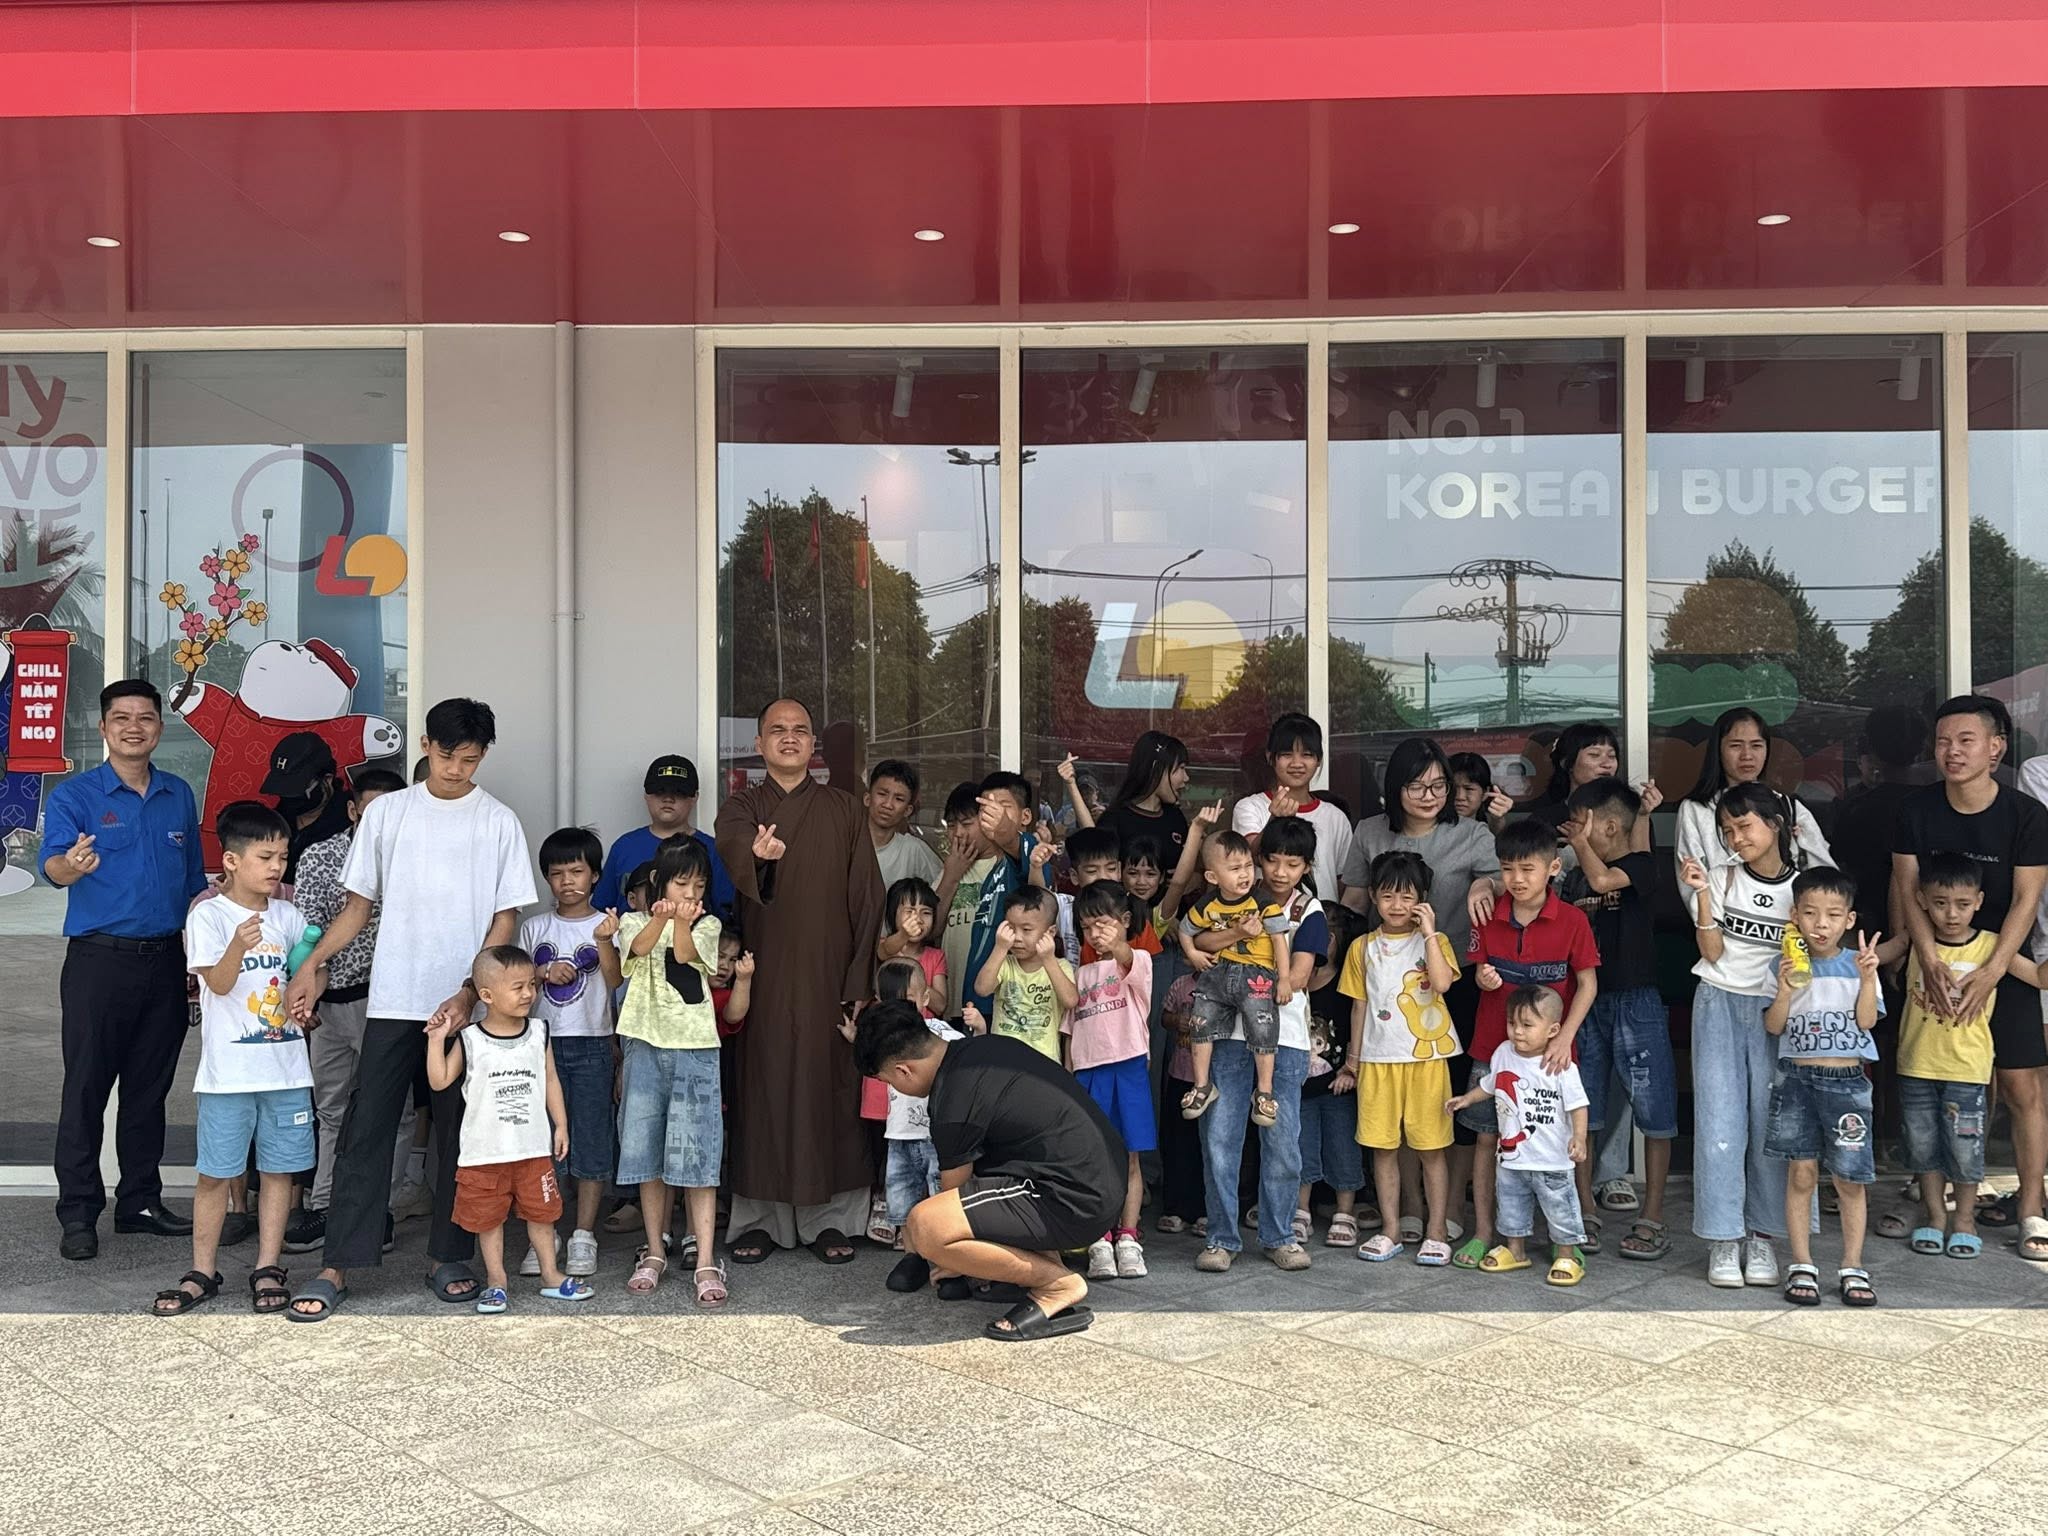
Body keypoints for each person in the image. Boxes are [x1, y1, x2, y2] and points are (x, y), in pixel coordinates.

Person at [283, 697, 538, 1321]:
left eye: (470, 759)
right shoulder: (388, 813)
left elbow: (505, 921)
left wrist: (469, 993)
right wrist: (313, 966)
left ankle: (447, 1258)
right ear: (425, 745)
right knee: (364, 1131)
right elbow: (357, 908)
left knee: (461, 1137)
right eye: (447, 755)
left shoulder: (498, 821)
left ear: (483, 756)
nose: (456, 768)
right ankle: (338, 1264)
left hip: (468, 1008)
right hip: (394, 998)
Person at [714, 699, 886, 1265]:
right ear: (759, 744)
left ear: (813, 745)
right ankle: (759, 1219)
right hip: (760, 976)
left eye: (800, 731)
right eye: (777, 730)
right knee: (763, 1090)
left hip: (828, 975)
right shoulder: (741, 806)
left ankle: (830, 1221)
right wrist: (758, 855)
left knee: (827, 1090)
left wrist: (858, 980)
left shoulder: (844, 809)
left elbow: (868, 896)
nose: (789, 738)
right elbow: (734, 848)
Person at [46, 679, 208, 1261]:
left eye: (145, 717)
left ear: (160, 727)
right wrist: (73, 864)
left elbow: (194, 883)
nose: (133, 727)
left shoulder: (177, 793)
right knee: (86, 1089)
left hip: (166, 961)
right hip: (99, 962)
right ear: (103, 727)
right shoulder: (76, 795)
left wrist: (199, 960)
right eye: (121, 718)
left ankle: (139, 1202)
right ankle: (78, 1212)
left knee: (148, 1090)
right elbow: (54, 868)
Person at [859, 1008, 1127, 1341]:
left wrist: (952, 1259)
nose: (895, 1089)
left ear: (903, 1070)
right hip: (1099, 1183)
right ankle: (1043, 1266)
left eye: (889, 1082)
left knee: (925, 1226)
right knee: (976, 1188)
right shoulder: (987, 1048)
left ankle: (1056, 1285)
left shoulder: (953, 1098)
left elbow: (950, 1203)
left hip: (1073, 1198)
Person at [1893, 697, 2048, 1261]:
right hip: (1935, 966)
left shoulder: (2027, 816)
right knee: (1940, 1084)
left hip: (2004, 963)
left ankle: (2031, 1206)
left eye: (1965, 740)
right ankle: (1943, 1205)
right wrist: (1929, 960)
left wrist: (1994, 970)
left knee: (2022, 1087)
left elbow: (2026, 900)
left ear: (1995, 748)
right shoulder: (1916, 810)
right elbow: (1908, 889)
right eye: (1943, 741)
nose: (1952, 752)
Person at [1338, 739, 1503, 1239]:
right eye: (1417, 786)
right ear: (1395, 788)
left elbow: (1503, 882)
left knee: (1448, 1098)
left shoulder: (1471, 832)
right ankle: (1408, 1206)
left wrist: (1485, 884)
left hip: (1456, 977)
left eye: (1439, 785)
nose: (1430, 796)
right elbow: (1353, 899)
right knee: (1398, 1103)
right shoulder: (1370, 832)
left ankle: (1448, 1209)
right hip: (1387, 981)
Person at [152, 802, 312, 1316]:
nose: (276, 867)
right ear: (232, 860)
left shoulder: (289, 915)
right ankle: (203, 1270)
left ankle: (269, 1265)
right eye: (265, 857)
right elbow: (216, 985)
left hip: (286, 1069)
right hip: (227, 1076)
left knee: (279, 1172)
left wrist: (309, 993)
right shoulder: (209, 915)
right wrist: (238, 947)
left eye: (282, 857)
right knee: (215, 1174)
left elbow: (311, 969)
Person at [1680, 782, 1804, 1289]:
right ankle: (1724, 1238)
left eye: (1745, 825)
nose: (1736, 837)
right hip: (1719, 1003)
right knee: (1718, 1123)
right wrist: (1702, 894)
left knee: (1773, 1125)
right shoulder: (1722, 877)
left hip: (1779, 1011)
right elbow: (1711, 953)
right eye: (1727, 830)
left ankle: (1764, 1236)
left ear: (1774, 824)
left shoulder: (1803, 889)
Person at [1460, 819, 1599, 1268]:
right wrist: (1483, 978)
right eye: (1507, 869)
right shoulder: (1487, 914)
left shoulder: (1573, 920)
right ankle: (1485, 1233)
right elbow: (1478, 970)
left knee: (1563, 1140)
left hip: (1553, 1054)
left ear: (1553, 868)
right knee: (1487, 1139)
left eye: (1527, 869)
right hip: (1492, 1049)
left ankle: (1566, 1236)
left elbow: (1588, 984)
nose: (1516, 879)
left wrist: (1567, 1037)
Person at [425, 944, 593, 1312]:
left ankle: (551, 1274)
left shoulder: (538, 1032)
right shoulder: (471, 1038)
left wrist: (561, 1124)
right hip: (484, 1153)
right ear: (486, 995)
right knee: (489, 1220)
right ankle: (497, 1280)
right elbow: (440, 1080)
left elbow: (550, 1079)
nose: (528, 993)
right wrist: (436, 1042)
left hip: (532, 1149)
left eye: (531, 984)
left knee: (543, 1215)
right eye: (517, 987)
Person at [283, 767, 406, 1255]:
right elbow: (309, 933)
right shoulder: (321, 855)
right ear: (353, 810)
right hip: (332, 1002)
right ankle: (325, 1206)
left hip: (391, 1002)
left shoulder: (416, 859)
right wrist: (308, 991)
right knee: (331, 1109)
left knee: (392, 1112)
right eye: (369, 810)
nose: (379, 821)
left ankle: (382, 1211)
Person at [1894, 853, 2041, 1259]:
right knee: (1922, 1147)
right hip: (1916, 1064)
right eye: (1941, 903)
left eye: (1962, 904)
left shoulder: (1993, 946)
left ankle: (1963, 1220)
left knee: (1965, 1150)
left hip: (1969, 1070)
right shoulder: (1914, 942)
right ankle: (1934, 1216)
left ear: (1978, 901)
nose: (1951, 914)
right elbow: (1874, 957)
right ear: (1922, 900)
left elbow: (2037, 977)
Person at [1191, 817, 1322, 1274]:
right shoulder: (1226, 899)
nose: (1280, 872)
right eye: (1272, 861)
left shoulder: (1310, 911)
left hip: (1284, 1037)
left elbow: (1299, 974)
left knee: (1282, 1142)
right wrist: (1238, 934)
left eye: (1293, 863)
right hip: (1226, 1036)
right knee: (1220, 1137)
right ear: (1257, 861)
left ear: (1307, 867)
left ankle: (1280, 1235)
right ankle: (1221, 1238)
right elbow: (1198, 939)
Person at [1560, 778, 1678, 1261]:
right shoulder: (1573, 877)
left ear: (1608, 826)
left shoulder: (1642, 865)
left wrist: (1581, 846)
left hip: (1637, 1001)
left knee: (1655, 1111)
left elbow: (1605, 882)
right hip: (1586, 1002)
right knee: (1583, 1109)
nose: (1573, 830)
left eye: (1581, 822)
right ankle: (1584, 1208)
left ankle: (1652, 1215)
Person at [1761, 869, 1884, 1308]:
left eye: (1833, 915)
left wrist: (1867, 979)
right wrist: (1783, 989)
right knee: (1801, 1173)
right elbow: (1773, 1026)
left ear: (1849, 920)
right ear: (1795, 915)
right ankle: (1802, 1263)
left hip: (1847, 1084)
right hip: (1796, 1078)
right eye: (1811, 913)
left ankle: (1853, 1265)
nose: (1821, 924)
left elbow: (1867, 1022)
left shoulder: (1858, 964)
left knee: (1849, 1178)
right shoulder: (1784, 965)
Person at [614, 836, 727, 1302]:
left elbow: (684, 955)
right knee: (646, 1153)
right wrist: (661, 917)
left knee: (699, 1154)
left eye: (699, 885)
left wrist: (681, 920)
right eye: (682, 883)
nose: (691, 894)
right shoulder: (633, 920)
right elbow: (637, 951)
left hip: (695, 1047)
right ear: (659, 881)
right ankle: (655, 1250)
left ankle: (706, 1259)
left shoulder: (709, 924)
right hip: (644, 1043)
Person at [1337, 850, 1461, 1265]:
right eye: (1388, 896)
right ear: (1373, 896)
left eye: (1408, 897)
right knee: (1383, 1148)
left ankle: (1437, 1230)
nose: (1397, 906)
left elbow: (1442, 984)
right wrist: (1353, 1061)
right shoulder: (1362, 947)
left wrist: (1429, 932)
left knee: (1432, 1148)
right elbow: (1358, 1007)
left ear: (1422, 900)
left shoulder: (1435, 942)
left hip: (1427, 1061)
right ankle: (1390, 1229)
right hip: (1377, 1061)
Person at [520, 827, 623, 1280]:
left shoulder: (609, 925)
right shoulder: (533, 928)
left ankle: (583, 1234)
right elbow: (513, 983)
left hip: (594, 1042)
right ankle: (546, 1233)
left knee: (591, 1139)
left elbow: (616, 981)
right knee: (542, 1142)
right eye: (557, 873)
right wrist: (542, 972)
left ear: (595, 875)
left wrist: (604, 941)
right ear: (546, 877)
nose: (567, 881)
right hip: (540, 1044)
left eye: (577, 871)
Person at [1446, 985, 1591, 1286]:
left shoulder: (1560, 1063)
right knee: (1511, 1207)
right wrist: (1467, 1099)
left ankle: (1566, 1254)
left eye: (1527, 1024)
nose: (1517, 1031)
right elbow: (1490, 1084)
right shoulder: (1503, 1053)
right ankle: (1516, 1250)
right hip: (1512, 1158)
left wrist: (1579, 1137)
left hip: (1552, 1160)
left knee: (1560, 1208)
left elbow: (1578, 1105)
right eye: (1512, 1023)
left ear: (1553, 1030)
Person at [1065, 879, 1157, 1280]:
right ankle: (1099, 1238)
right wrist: (1070, 1074)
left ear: (1125, 921)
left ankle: (1129, 1237)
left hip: (1128, 1065)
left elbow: (1126, 956)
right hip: (1088, 1072)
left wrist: (1115, 941)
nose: (1094, 933)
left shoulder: (1138, 960)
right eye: (1086, 927)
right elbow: (1069, 1031)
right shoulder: (1079, 974)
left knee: (1130, 1156)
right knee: (1093, 1158)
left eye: (1102, 923)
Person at [1176, 829, 1291, 1126]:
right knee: (1199, 1022)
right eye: (1235, 868)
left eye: (1248, 866)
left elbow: (1279, 940)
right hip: (1216, 972)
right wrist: (1193, 953)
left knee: (1262, 1026)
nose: (1245, 874)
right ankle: (1202, 1086)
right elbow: (1184, 929)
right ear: (1212, 877)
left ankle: (1264, 1093)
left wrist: (1284, 979)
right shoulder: (1207, 904)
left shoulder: (1263, 901)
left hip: (1257, 975)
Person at [1675, 707, 1833, 877]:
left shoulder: (1788, 806)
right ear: (1718, 750)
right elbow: (1691, 881)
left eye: (1756, 745)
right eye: (1735, 746)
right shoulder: (1697, 809)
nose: (1747, 755)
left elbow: (1824, 878)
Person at [1299, 901, 1374, 1249]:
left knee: (1343, 1147)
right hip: (1299, 1085)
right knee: (1300, 1148)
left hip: (1338, 1085)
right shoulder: (1295, 982)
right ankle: (1300, 1210)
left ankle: (1345, 1212)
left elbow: (1357, 1027)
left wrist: (1352, 1070)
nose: (1323, 939)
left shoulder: (1346, 983)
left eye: (1329, 933)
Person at [1231, 712, 1355, 900]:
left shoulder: (1335, 817)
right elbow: (1248, 858)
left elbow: (1343, 882)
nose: (1297, 763)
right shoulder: (1250, 807)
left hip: (1322, 917)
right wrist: (1274, 820)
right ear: (1270, 757)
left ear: (1319, 759)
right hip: (1263, 918)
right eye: (1287, 754)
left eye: (1307, 754)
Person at [595, 754, 735, 917]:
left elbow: (725, 914)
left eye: (679, 792)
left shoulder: (712, 850)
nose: (668, 799)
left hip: (693, 933)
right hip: (629, 934)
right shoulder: (624, 847)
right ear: (646, 795)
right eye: (660, 791)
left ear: (694, 797)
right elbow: (602, 912)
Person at [947, 771, 1037, 1021]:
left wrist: (1004, 829)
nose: (994, 815)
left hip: (1007, 1005)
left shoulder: (1030, 852)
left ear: (1025, 816)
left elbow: (1016, 848)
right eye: (986, 809)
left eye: (1003, 807)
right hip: (975, 1000)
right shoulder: (992, 874)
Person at [970, 886, 1077, 1061]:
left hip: (1043, 1059)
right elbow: (982, 989)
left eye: (1026, 930)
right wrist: (1000, 948)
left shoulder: (1060, 966)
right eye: (1011, 928)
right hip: (1003, 1057)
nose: (1017, 937)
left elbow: (1070, 1001)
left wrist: (1049, 959)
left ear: (1050, 932)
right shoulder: (1004, 963)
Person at [936, 781, 1000, 1018]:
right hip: (954, 999)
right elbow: (932, 928)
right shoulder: (949, 869)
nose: (958, 833)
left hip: (996, 1003)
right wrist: (951, 876)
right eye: (951, 825)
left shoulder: (1006, 867)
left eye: (966, 824)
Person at [260, 730, 356, 883]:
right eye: (284, 788)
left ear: (327, 779)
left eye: (296, 788)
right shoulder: (275, 821)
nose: (289, 796)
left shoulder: (351, 822)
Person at [1090, 731, 1192, 866]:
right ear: (1156, 769)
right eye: (1181, 768)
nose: (1186, 778)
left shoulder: (1175, 817)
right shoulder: (1115, 820)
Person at [866, 759, 944, 890]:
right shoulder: (846, 845)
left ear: (908, 810)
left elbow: (940, 890)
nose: (888, 804)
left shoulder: (913, 850)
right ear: (867, 798)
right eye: (882, 794)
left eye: (899, 799)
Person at [1449, 751, 1513, 833]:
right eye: (1453, 788)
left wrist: (1497, 820)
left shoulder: (1486, 830)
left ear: (1485, 793)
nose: (1460, 797)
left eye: (1469, 789)